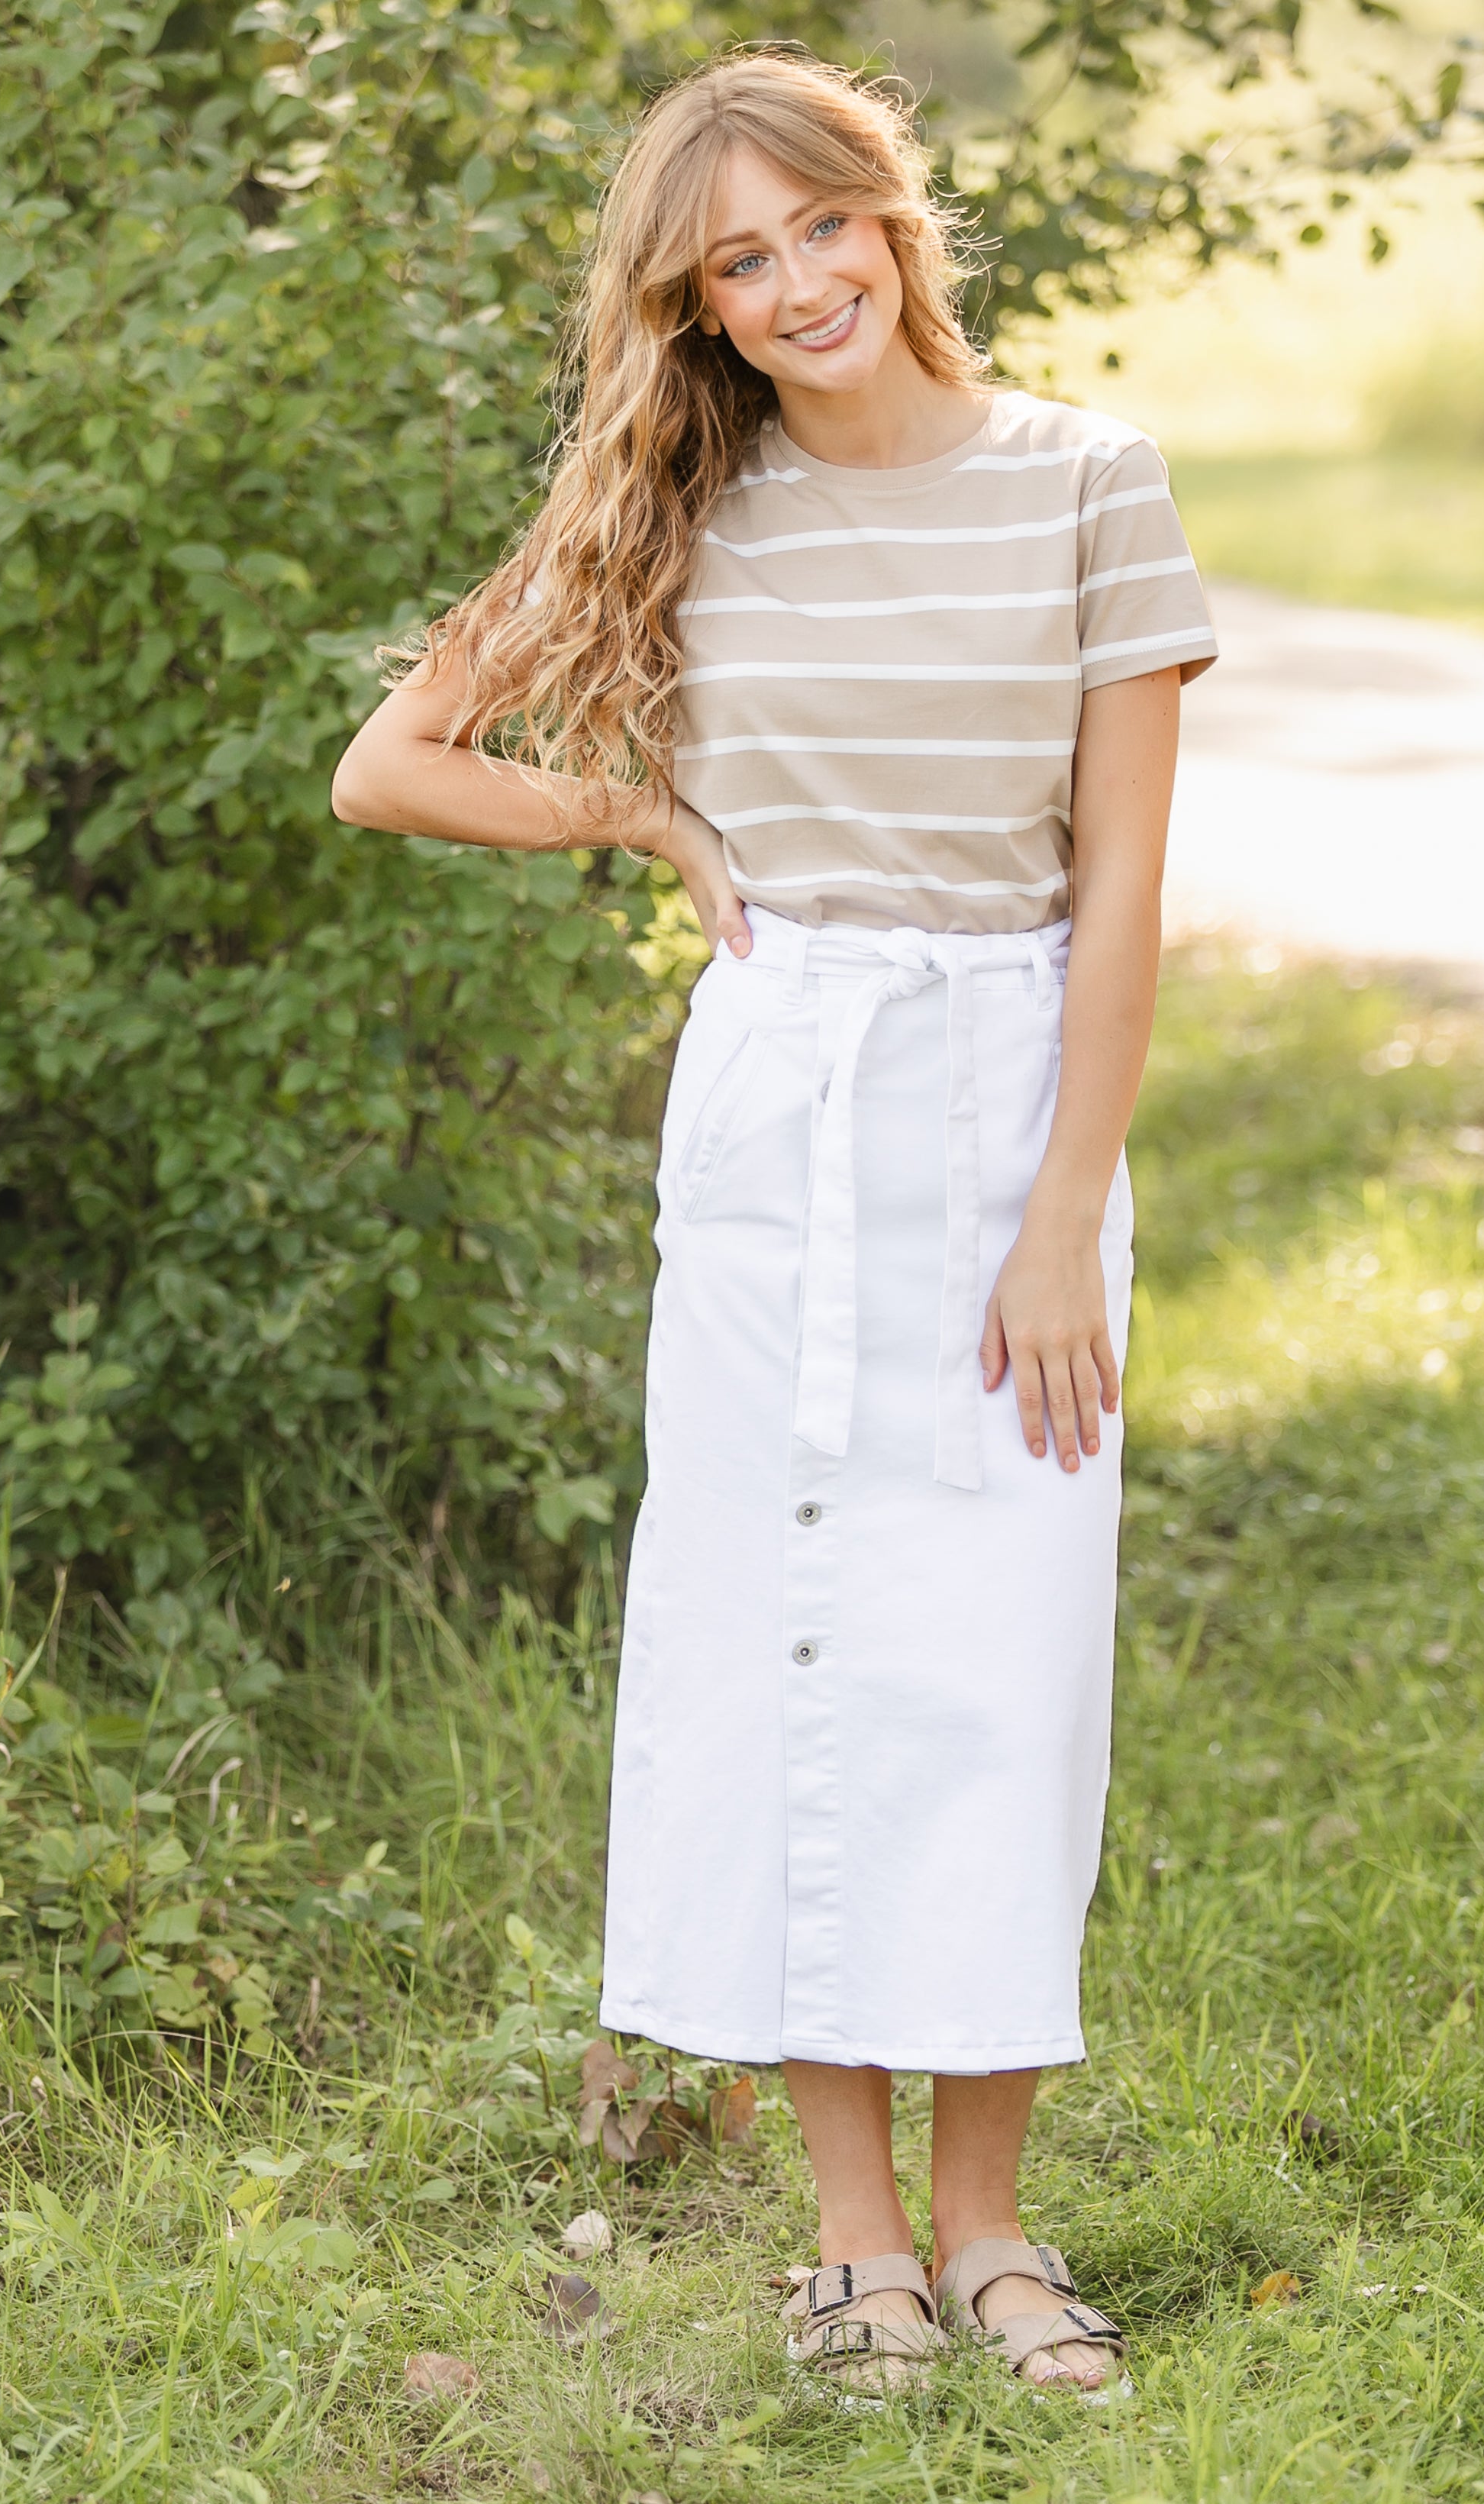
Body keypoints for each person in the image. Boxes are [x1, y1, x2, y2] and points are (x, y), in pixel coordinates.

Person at [332, 47, 1215, 2399]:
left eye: (821, 224)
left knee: (1003, 1658)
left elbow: (1124, 888)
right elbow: (393, 764)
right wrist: (641, 820)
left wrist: (1064, 1210)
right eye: (739, 260)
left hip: (1011, 1104)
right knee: (798, 1642)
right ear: (697, 305)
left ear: (893, 215)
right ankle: (855, 2242)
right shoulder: (682, 502)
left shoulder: (1088, 482)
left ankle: (995, 2227)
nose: (799, 283)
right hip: (774, 1113)